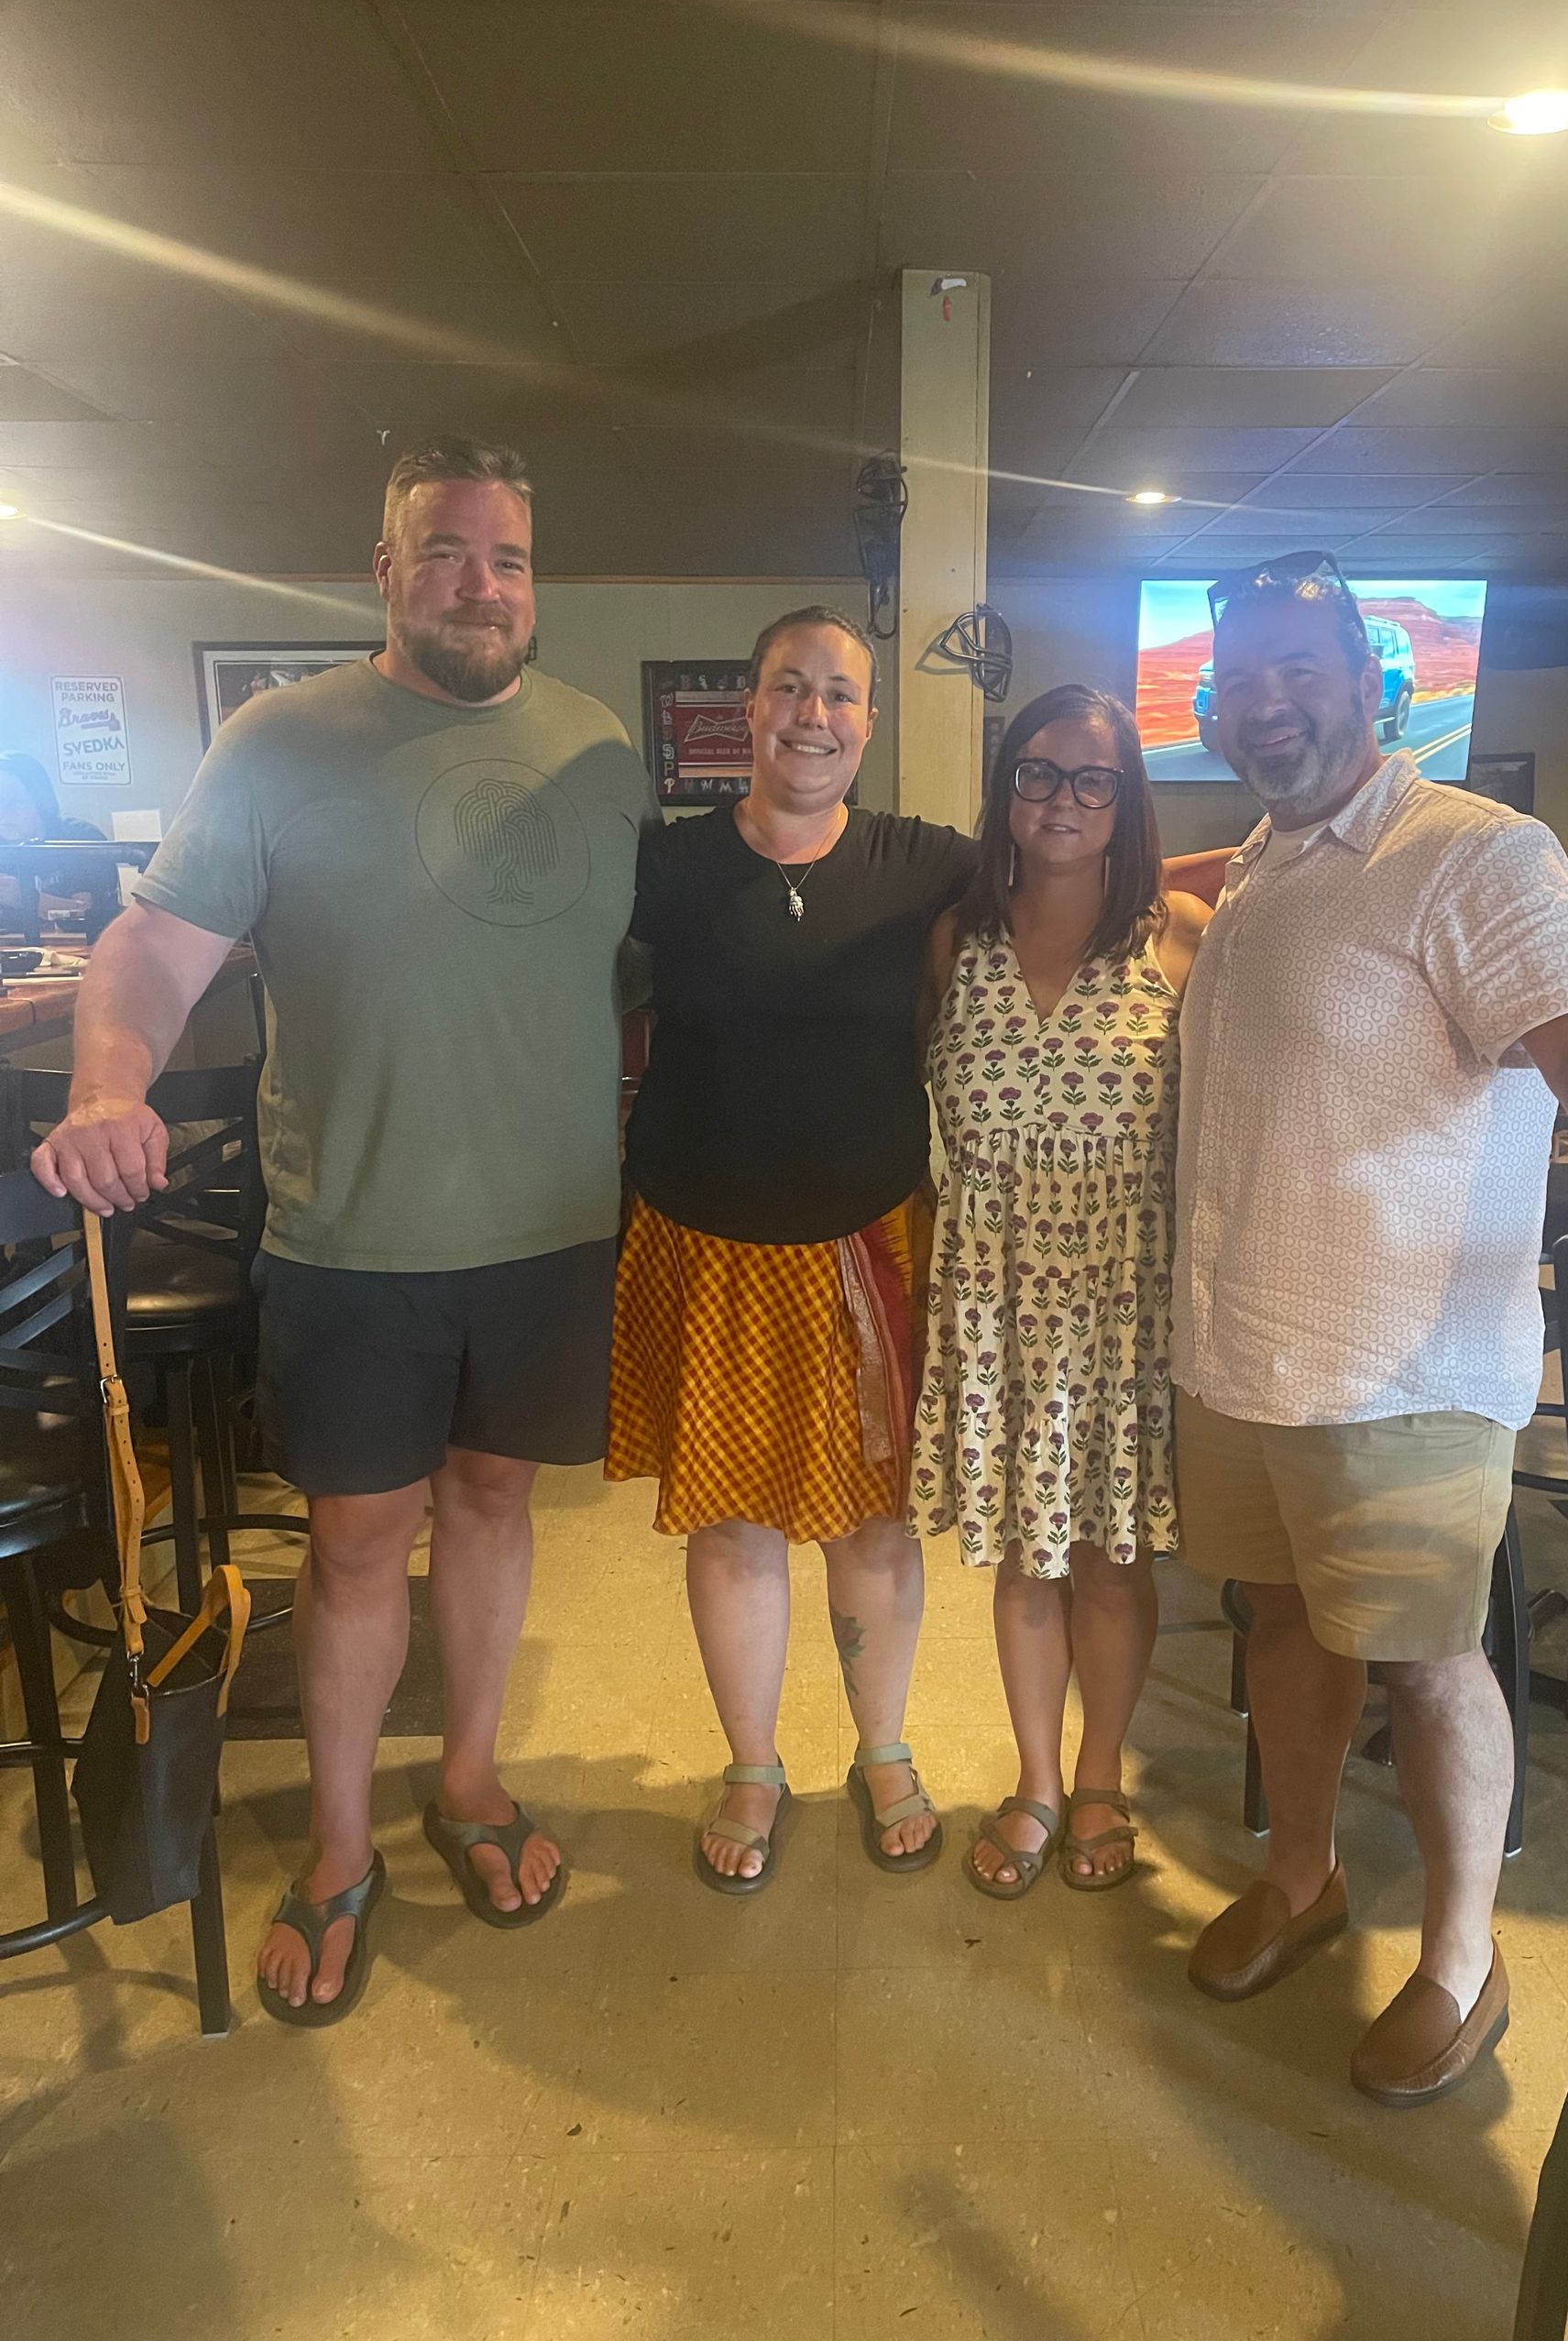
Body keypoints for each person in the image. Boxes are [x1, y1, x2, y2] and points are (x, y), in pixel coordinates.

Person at [31, 434, 655, 2024]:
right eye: (446, 551)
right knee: (360, 1544)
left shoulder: (598, 747)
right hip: (358, 1237)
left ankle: (470, 1779)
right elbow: (153, 946)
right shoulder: (276, 743)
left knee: (495, 1506)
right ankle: (336, 1844)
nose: (480, 584)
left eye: (508, 558)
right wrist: (105, 1083)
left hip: (550, 1230)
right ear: (385, 572)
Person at [1172, 553, 1568, 2105]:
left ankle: (1463, 1962)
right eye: (1243, 679)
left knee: (1428, 1664)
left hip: (1400, 1365)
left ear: (1372, 679)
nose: (1269, 702)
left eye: (1301, 669)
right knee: (1281, 1626)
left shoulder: (1473, 850)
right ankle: (1302, 1880)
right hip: (1243, 1350)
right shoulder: (1263, 867)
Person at [607, 606, 976, 1892]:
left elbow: (1078, 877)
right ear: (749, 708)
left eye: (839, 694)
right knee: (732, 1523)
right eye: (789, 688)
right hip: (701, 1242)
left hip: (865, 1243)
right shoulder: (666, 865)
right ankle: (752, 1765)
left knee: (871, 1523)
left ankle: (883, 1748)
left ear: (869, 723)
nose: (814, 714)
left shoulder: (922, 861)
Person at [910, 687, 1210, 1897]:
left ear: (1128, 801)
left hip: (1126, 1297)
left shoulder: (1179, 936)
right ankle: (1036, 1778)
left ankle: (1099, 1776)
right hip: (991, 1294)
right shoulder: (954, 940)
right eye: (1038, 773)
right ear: (1006, 789)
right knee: (1026, 1560)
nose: (1063, 800)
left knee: (1112, 1558)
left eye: (1094, 779)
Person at [0, 749, 106, 926]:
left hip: (78, 944)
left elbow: (91, 914)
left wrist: (26, 898)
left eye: (16, 802)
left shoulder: (79, 838)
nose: (4, 813)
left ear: (41, 801)